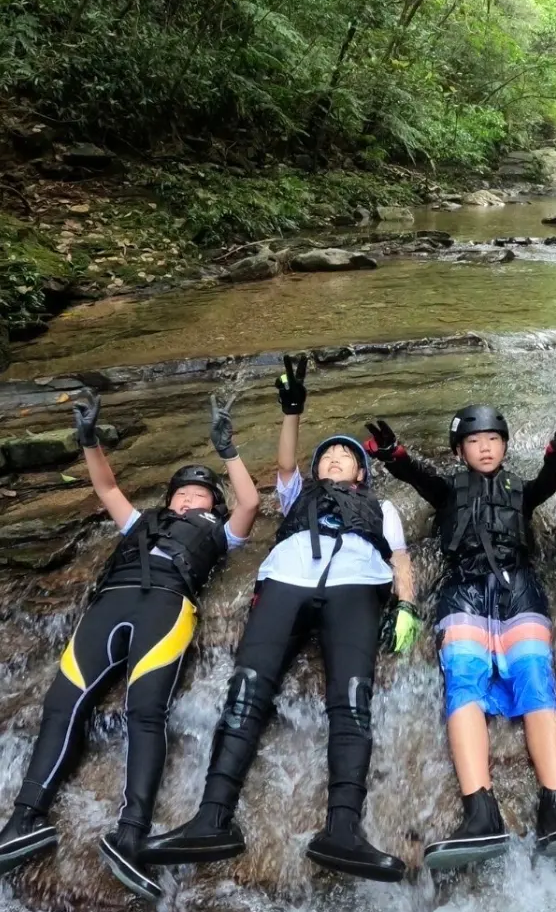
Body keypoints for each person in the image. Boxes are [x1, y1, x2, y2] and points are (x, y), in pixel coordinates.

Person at [143, 354, 418, 882]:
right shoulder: (297, 495)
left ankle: (344, 829)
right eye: (327, 455)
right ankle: (212, 818)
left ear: (362, 472)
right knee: (247, 690)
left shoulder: (381, 509)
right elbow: (287, 465)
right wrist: (292, 411)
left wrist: (405, 604)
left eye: (345, 456)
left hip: (356, 587)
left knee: (352, 700)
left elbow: (400, 558)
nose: (334, 459)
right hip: (284, 584)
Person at [0, 390, 259, 901]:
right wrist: (89, 438)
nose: (189, 499)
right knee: (62, 703)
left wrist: (228, 450)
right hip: (109, 607)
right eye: (181, 493)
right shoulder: (141, 524)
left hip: (166, 607)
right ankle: (26, 818)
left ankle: (132, 832)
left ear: (213, 505)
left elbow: (250, 502)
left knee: (146, 712)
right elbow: (106, 486)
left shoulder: (222, 534)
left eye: (200, 495)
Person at [363, 399, 556, 869]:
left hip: (519, 590)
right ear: (459, 451)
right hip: (463, 591)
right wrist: (393, 455)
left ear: (505, 447)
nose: (485, 447)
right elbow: (418, 478)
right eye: (473, 441)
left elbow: (546, 483)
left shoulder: (519, 490)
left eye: (493, 439)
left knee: (536, 677)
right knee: (463, 681)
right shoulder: (449, 490)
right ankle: (480, 812)